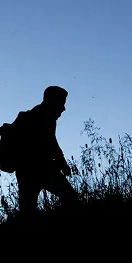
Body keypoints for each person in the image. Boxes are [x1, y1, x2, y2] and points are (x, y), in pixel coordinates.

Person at [13, 86, 81, 215]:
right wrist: (63, 164)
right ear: (52, 101)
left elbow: (51, 143)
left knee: (27, 211)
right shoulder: (43, 118)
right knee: (71, 198)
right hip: (41, 169)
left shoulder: (35, 115)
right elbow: (51, 143)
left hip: (25, 170)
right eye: (61, 103)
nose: (63, 108)